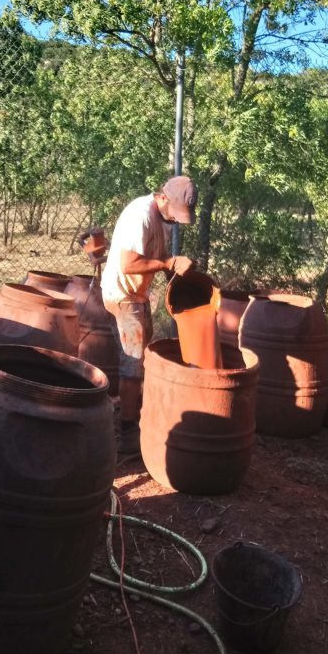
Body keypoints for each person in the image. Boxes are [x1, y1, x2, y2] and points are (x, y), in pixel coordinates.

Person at [100, 176, 198, 454]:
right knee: (132, 365)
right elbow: (129, 264)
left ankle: (132, 412)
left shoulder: (164, 219)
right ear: (163, 198)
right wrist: (169, 263)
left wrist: (178, 271)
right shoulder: (141, 215)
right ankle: (127, 433)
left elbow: (160, 259)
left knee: (146, 357)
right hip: (122, 295)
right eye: (176, 213)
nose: (177, 220)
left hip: (138, 296)